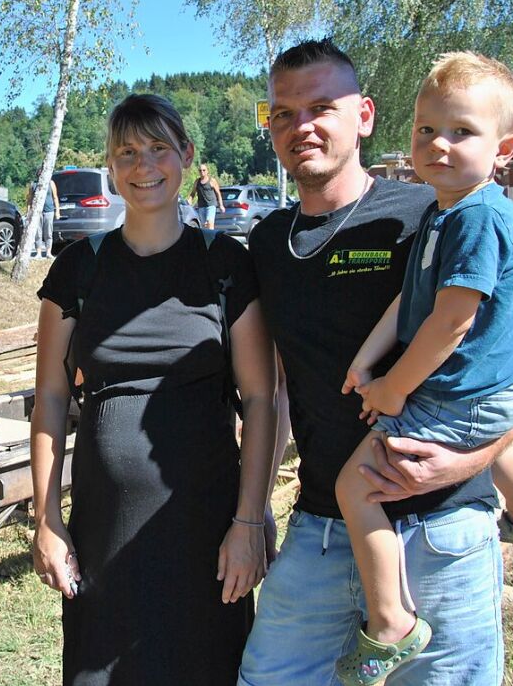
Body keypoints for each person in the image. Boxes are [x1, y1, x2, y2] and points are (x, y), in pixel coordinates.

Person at [240, 39, 512, 686]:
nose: (299, 125)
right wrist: (250, 515)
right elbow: (268, 392)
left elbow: (495, 349)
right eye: (281, 112)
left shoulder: (434, 211)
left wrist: (476, 460)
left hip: (438, 526)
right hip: (321, 527)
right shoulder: (265, 243)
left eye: (319, 106)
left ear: (362, 115)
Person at [31, 93, 277, 685]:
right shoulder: (78, 269)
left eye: (158, 148)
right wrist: (45, 518)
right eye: (127, 153)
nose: (144, 166)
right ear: (112, 167)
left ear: (186, 156)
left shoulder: (224, 266)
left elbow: (262, 398)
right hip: (102, 531)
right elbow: (50, 399)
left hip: (206, 532)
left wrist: (249, 520)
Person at [333, 52, 513, 684]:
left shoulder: (479, 217)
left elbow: (451, 323)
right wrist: (365, 359)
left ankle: (391, 623)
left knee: (354, 487)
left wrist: (389, 389)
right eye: (425, 129)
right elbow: (412, 301)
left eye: (461, 131)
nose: (438, 144)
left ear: (502, 148)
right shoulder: (445, 211)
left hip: (459, 394)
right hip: (472, 391)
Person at [26, 169, 61, 258]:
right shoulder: (33, 184)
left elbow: (55, 197)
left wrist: (57, 211)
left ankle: (48, 252)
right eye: (39, 175)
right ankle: (38, 253)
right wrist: (28, 211)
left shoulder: (51, 183)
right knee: (38, 233)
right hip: (37, 212)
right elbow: (29, 199)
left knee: (48, 233)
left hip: (49, 211)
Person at [192, 163, 224, 229]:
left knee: (209, 223)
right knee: (204, 226)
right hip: (201, 206)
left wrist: (221, 205)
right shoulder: (197, 182)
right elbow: (192, 193)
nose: (202, 172)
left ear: (207, 171)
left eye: (204, 170)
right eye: (200, 170)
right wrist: (188, 202)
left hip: (211, 205)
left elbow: (218, 193)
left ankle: (212, 238)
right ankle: (206, 238)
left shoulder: (212, 181)